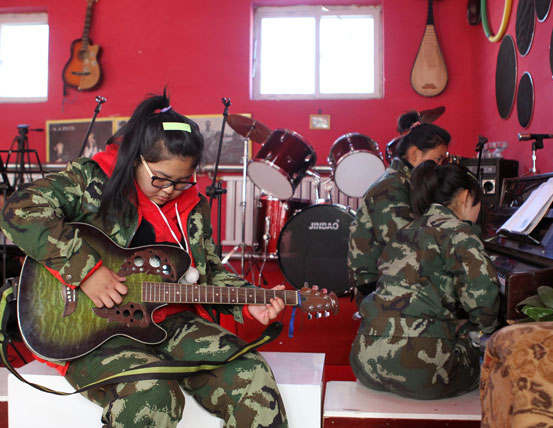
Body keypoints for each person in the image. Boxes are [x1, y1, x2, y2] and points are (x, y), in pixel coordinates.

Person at [0, 90, 290, 428]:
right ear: (136, 158)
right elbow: (19, 210)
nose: (169, 190)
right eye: (161, 179)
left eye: (183, 181)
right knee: (152, 394)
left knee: (251, 376)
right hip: (89, 327)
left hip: (171, 321)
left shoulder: (193, 207)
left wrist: (247, 302)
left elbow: (207, 272)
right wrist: (86, 270)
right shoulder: (92, 180)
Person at [349, 160, 500, 400]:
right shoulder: (458, 231)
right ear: (464, 196)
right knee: (495, 362)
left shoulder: (405, 231)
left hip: (365, 359)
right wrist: (482, 331)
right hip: (421, 370)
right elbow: (483, 294)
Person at [347, 111, 451, 304]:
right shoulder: (392, 187)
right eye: (437, 159)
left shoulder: (405, 181)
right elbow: (401, 245)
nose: (439, 166)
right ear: (415, 154)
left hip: (392, 271)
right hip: (376, 281)